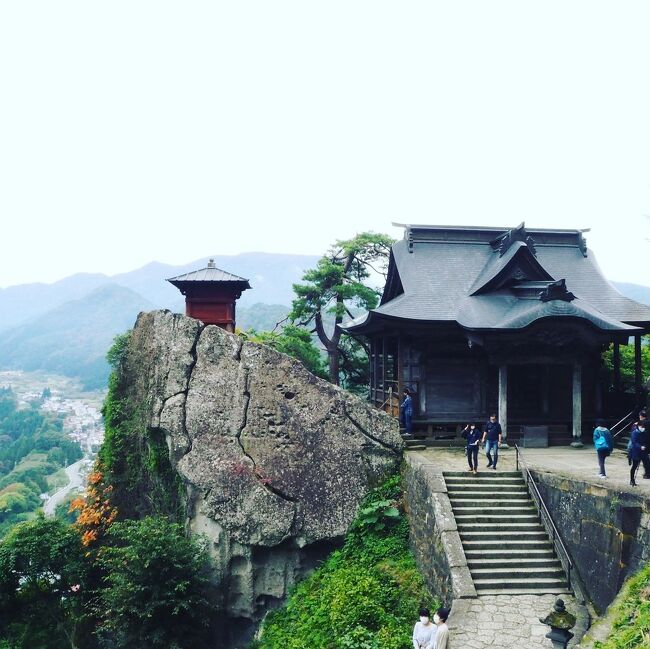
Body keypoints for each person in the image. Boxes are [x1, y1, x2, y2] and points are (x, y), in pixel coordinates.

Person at [628, 421, 646, 487]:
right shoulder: (634, 433)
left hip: (642, 451)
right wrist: (640, 447)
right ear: (638, 426)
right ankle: (632, 480)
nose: (642, 428)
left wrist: (644, 446)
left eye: (643, 427)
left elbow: (645, 440)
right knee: (634, 466)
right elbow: (634, 442)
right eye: (641, 426)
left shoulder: (644, 433)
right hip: (635, 452)